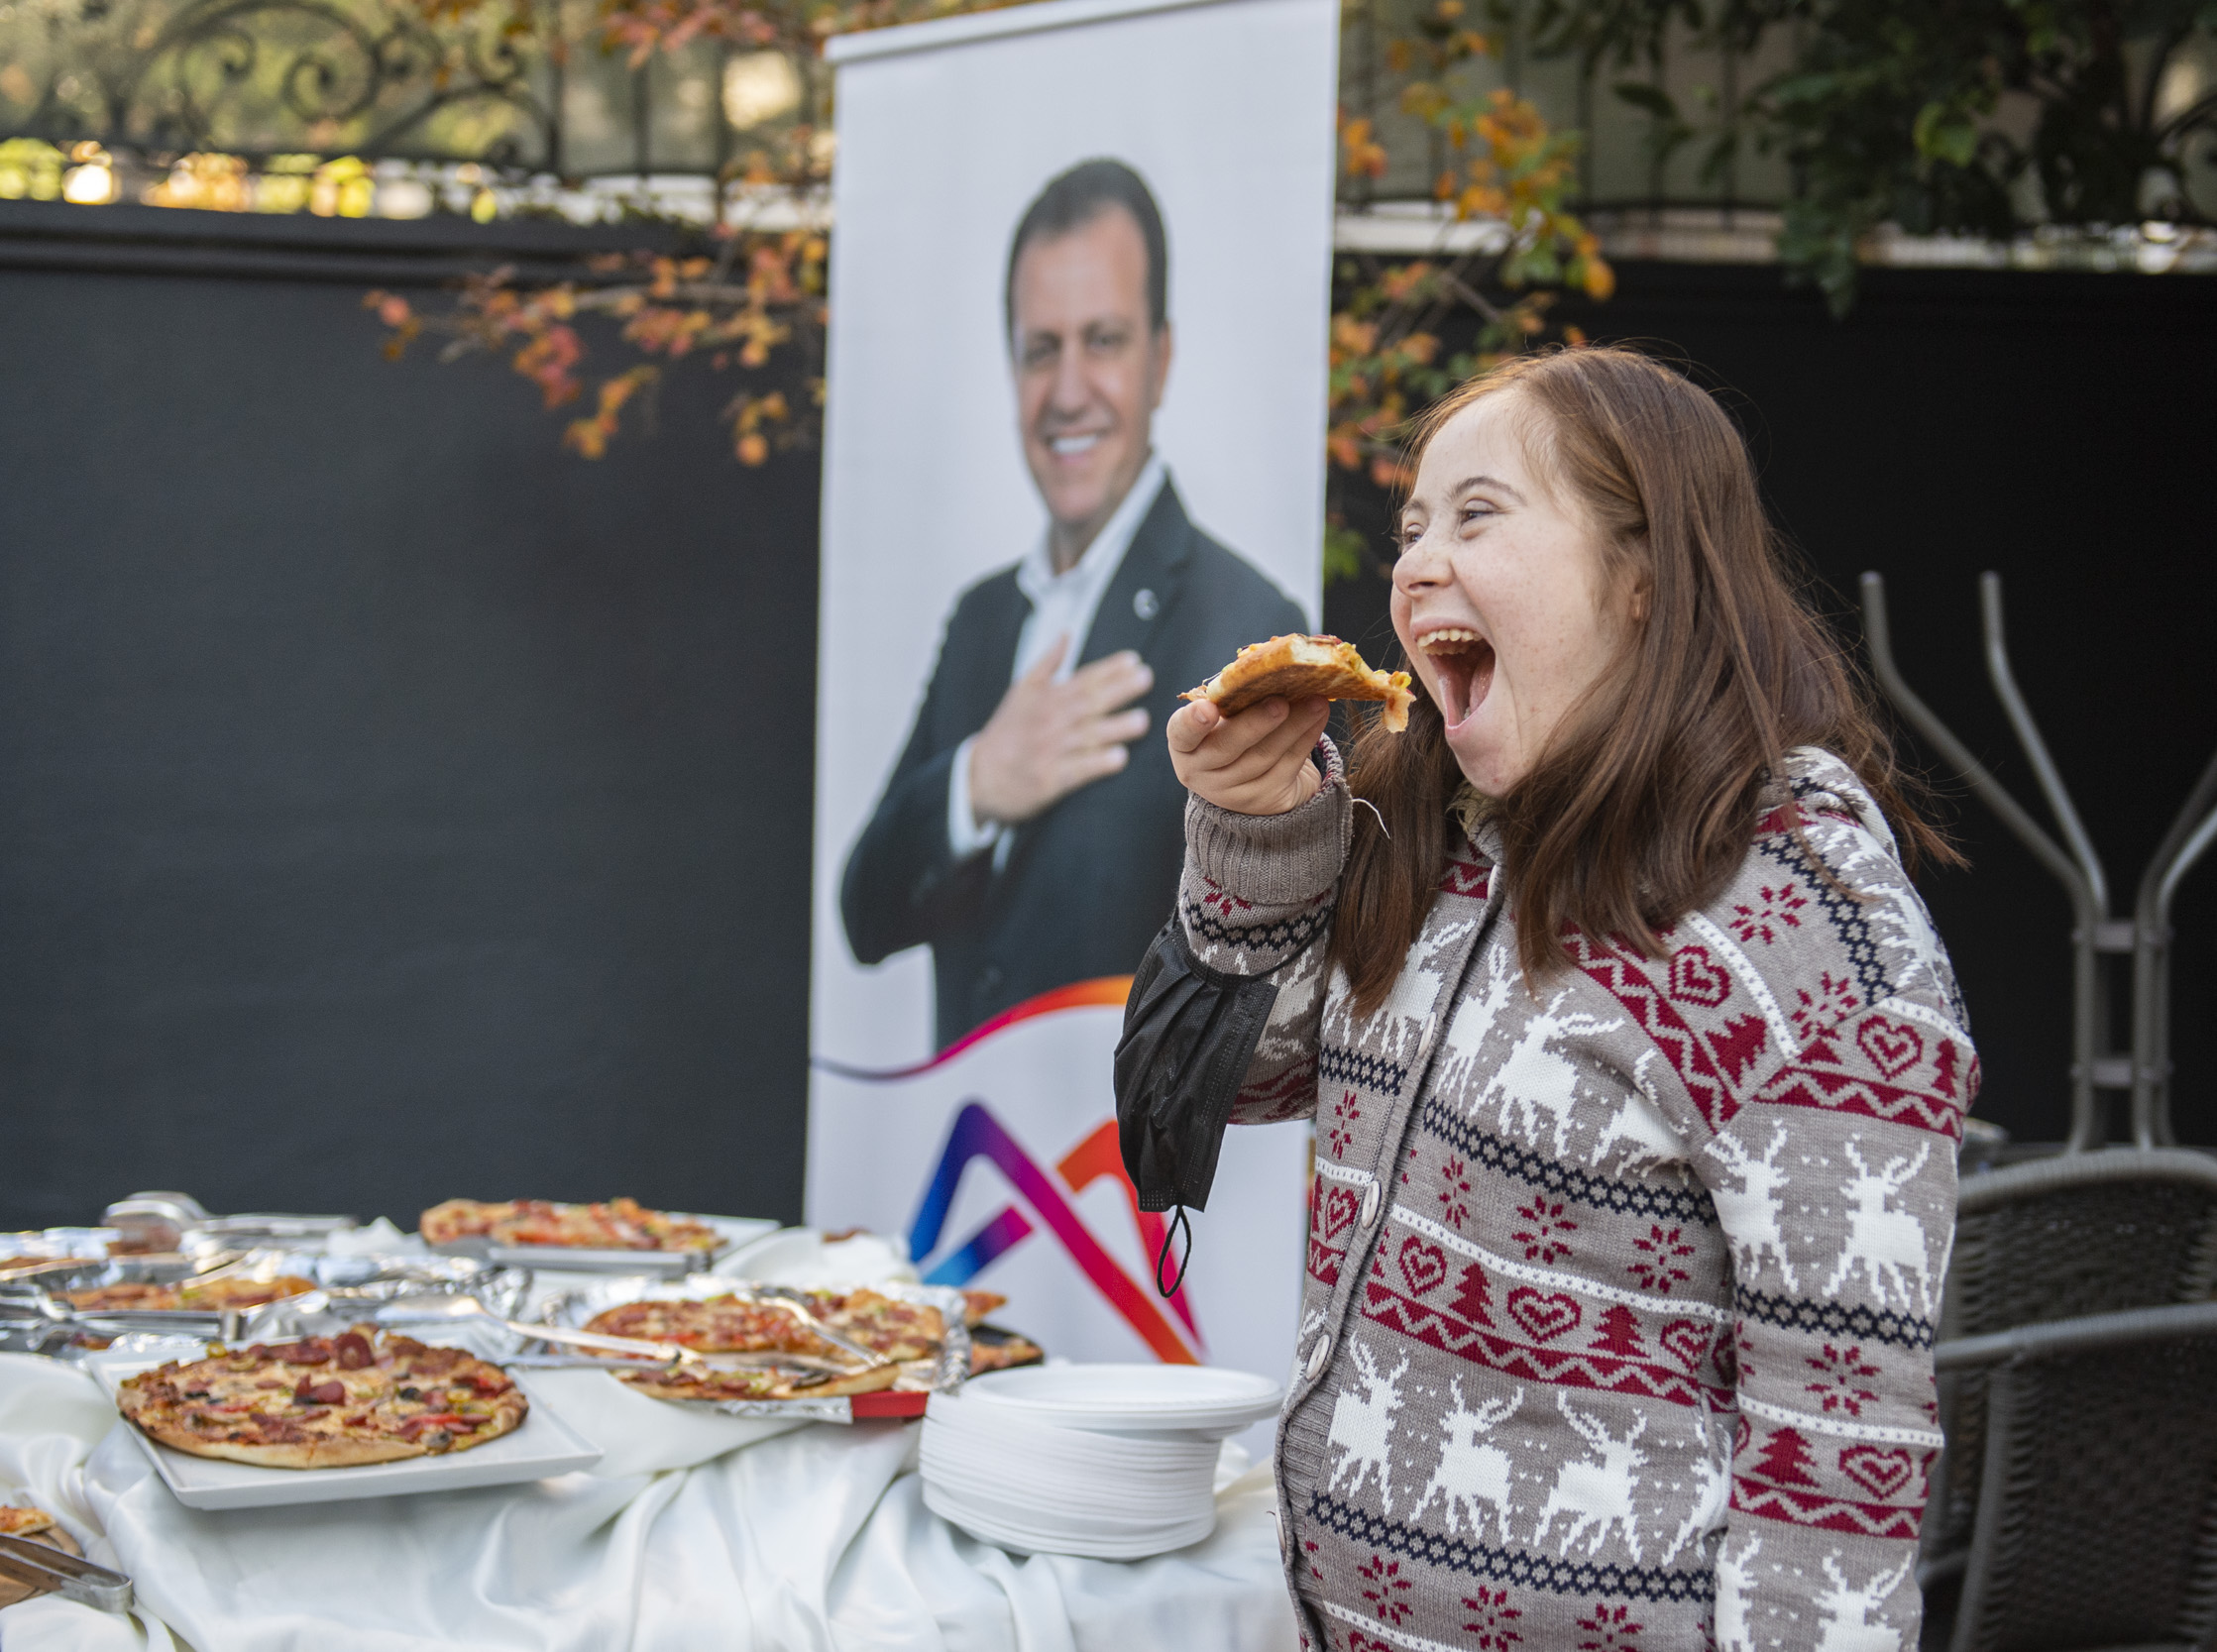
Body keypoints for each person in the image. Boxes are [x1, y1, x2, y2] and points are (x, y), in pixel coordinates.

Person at [1164, 346, 1970, 1649]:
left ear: (1645, 576)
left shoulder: (1805, 924)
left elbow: (1838, 1448)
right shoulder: (1442, 836)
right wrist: (1258, 837)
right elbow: (1250, 1080)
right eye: (1411, 525)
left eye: (1477, 514)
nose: (1416, 562)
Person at [841, 158, 1305, 1049]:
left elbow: (1276, 972)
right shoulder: (980, 620)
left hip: (1119, 1181)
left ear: (1160, 360)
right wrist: (977, 782)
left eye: (1103, 340)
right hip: (979, 1168)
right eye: (1039, 348)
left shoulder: (1247, 625)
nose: (1065, 392)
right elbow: (866, 913)